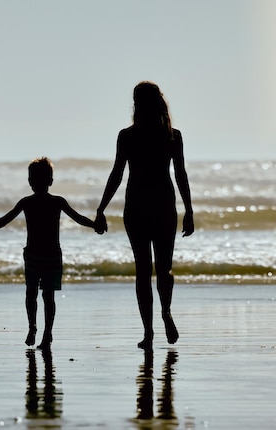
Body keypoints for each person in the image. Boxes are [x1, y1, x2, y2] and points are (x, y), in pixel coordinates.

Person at [95, 81, 194, 350]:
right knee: (165, 268)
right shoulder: (172, 135)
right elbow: (181, 175)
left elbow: (117, 174)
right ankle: (166, 312)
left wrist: (101, 208)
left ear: (136, 104)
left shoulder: (127, 136)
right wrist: (189, 210)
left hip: (137, 207)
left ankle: (148, 332)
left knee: (142, 271)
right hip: (163, 205)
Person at [0, 157, 96, 349]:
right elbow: (79, 218)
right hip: (48, 255)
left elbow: (5, 220)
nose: (34, 182)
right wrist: (95, 225)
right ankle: (41, 331)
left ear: (32, 182)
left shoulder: (36, 202)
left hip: (38, 256)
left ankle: (40, 331)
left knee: (34, 294)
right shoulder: (50, 202)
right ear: (50, 181)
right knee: (46, 296)